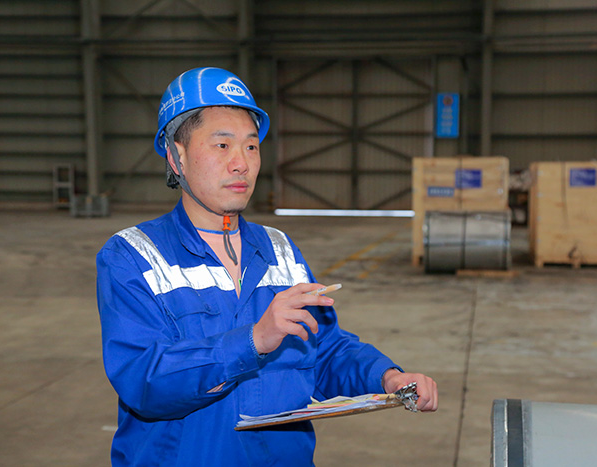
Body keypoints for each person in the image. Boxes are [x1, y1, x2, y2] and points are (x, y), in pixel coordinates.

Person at [96, 67, 438, 466]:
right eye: (222, 145)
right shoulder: (133, 256)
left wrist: (386, 376)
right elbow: (144, 381)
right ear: (177, 156)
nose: (241, 163)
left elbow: (323, 348)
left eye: (251, 146)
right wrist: (253, 340)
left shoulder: (279, 250)